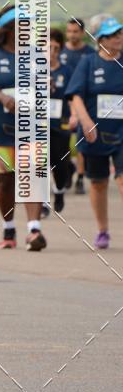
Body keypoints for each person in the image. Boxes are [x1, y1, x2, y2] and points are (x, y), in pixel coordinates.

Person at [0, 5, 44, 250]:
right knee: (6, 180)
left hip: (30, 126)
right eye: (23, 23)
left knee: (32, 172)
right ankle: (8, 228)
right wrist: (4, 98)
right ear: (9, 28)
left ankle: (34, 229)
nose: (28, 28)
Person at [65, 17, 123, 249]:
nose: (118, 38)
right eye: (111, 35)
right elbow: (75, 94)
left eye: (119, 33)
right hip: (96, 132)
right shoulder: (88, 62)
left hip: (121, 131)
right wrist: (85, 120)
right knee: (98, 183)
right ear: (100, 40)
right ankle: (102, 230)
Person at [60, 18, 94, 194]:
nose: (72, 34)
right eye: (69, 31)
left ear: (82, 33)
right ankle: (68, 169)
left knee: (81, 142)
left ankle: (80, 177)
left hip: (81, 104)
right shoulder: (60, 51)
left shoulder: (89, 54)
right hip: (62, 104)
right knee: (61, 142)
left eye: (75, 31)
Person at [48, 28, 72, 214]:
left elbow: (74, 97)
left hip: (61, 122)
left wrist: (74, 116)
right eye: (48, 47)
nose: (52, 51)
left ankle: (59, 190)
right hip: (38, 123)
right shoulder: (33, 71)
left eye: (56, 48)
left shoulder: (67, 71)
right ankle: (41, 202)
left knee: (59, 163)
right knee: (40, 162)